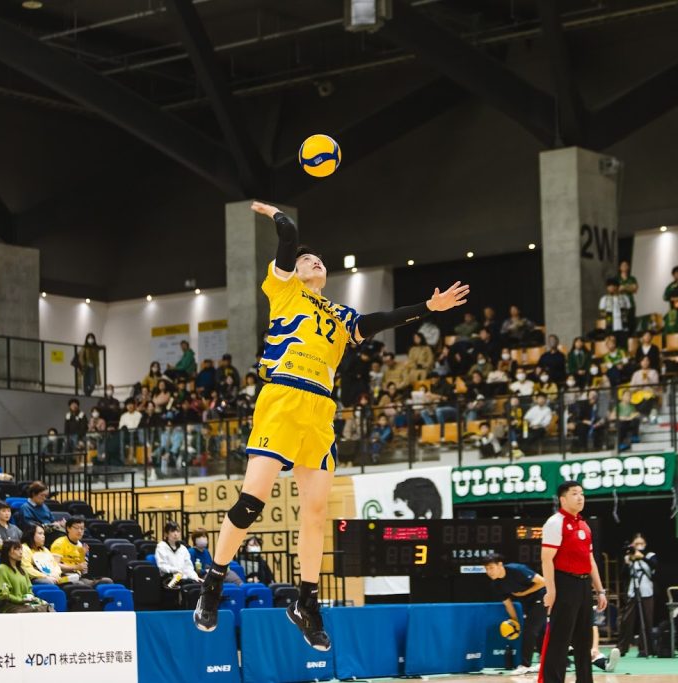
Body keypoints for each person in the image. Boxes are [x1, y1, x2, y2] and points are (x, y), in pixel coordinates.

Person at [193, 201, 470, 651]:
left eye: (318, 260)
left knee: (317, 512)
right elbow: (288, 240)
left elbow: (378, 321)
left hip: (320, 409)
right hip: (283, 396)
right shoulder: (283, 290)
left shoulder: (340, 315)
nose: (313, 261)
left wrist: (428, 306)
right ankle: (213, 582)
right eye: (306, 259)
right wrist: (279, 217)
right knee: (252, 501)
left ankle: (306, 602)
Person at [538, 481, 607, 683]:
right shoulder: (555, 523)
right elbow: (546, 559)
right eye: (575, 493)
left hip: (584, 586)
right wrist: (551, 591)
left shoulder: (584, 525)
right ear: (563, 499)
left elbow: (590, 560)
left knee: (584, 640)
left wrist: (600, 590)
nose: (580, 497)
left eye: (582, 494)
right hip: (564, 584)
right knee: (560, 639)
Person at [483, 553, 546, 675]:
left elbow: (542, 582)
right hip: (527, 602)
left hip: (542, 596)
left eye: (491, 568)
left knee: (530, 629)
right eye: (486, 569)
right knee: (539, 630)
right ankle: (548, 662)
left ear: (500, 565)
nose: (489, 572)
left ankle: (525, 665)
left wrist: (524, 593)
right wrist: (515, 622)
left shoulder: (517, 569)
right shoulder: (496, 585)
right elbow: (509, 605)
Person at [618, 533, 655, 657]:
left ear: (645, 544)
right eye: (636, 544)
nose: (639, 546)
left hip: (647, 591)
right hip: (633, 591)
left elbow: (655, 567)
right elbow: (622, 575)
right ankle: (622, 648)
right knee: (627, 620)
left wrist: (642, 557)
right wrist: (627, 562)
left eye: (641, 543)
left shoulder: (650, 555)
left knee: (647, 620)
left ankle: (645, 649)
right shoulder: (629, 557)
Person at [0, 540, 54, 613]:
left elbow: (29, 590)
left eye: (21, 549)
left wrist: (29, 598)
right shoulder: (2, 569)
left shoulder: (23, 570)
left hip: (25, 604)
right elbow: (4, 595)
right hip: (9, 606)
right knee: (34, 610)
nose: (21, 552)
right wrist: (21, 600)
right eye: (17, 549)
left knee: (48, 607)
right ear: (8, 552)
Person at [50, 517, 111, 588]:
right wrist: (75, 567)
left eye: (82, 529)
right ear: (68, 528)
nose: (79, 531)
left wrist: (83, 556)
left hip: (79, 577)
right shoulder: (59, 543)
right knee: (81, 585)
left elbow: (83, 571)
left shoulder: (81, 545)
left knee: (107, 581)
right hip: (63, 577)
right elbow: (55, 565)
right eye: (76, 528)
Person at [155, 521, 200, 587]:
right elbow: (162, 566)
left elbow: (188, 567)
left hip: (183, 578)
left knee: (196, 586)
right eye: (172, 531)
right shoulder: (161, 546)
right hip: (168, 579)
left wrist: (195, 577)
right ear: (166, 534)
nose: (175, 534)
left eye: (178, 531)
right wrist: (176, 570)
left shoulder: (183, 548)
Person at [599, 278, 631, 347]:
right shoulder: (604, 299)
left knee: (623, 347)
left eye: (612, 286)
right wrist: (608, 314)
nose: (611, 288)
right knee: (612, 346)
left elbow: (629, 310)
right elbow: (601, 313)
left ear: (617, 287)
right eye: (609, 286)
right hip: (610, 326)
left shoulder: (625, 298)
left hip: (623, 326)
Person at [617, 260, 639, 333]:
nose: (624, 267)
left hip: (631, 304)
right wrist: (629, 287)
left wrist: (624, 287)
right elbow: (617, 289)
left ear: (628, 267)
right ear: (620, 267)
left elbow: (635, 289)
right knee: (621, 325)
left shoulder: (632, 278)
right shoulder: (617, 279)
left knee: (631, 324)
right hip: (620, 305)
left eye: (626, 265)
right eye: (622, 265)